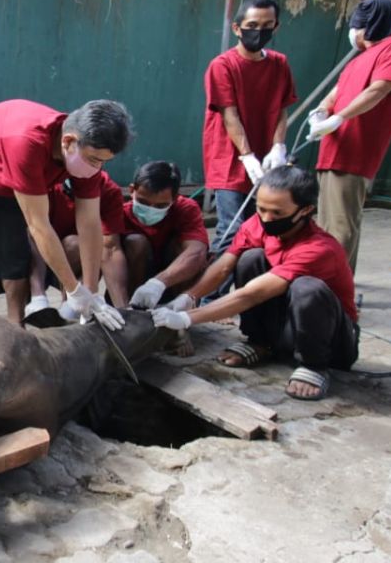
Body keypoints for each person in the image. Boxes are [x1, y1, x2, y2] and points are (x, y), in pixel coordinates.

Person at [0, 99, 133, 328]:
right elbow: (39, 226)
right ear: (69, 141)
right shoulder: (27, 143)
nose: (97, 167)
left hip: (6, 181)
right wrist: (74, 290)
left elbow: (90, 223)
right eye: (93, 159)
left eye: (103, 161)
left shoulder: (86, 157)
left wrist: (90, 292)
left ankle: (16, 326)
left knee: (13, 250)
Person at [150, 166, 358, 401]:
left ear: (306, 210)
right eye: (262, 209)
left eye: (277, 213)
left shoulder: (319, 248)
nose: (267, 218)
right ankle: (260, 343)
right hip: (288, 328)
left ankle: (314, 365)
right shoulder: (256, 225)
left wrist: (189, 317)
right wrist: (188, 297)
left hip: (331, 341)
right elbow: (224, 267)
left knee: (308, 288)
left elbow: (252, 294)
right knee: (250, 258)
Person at [309, 0, 391, 273]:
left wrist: (340, 118)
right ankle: (339, 283)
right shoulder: (358, 61)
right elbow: (336, 93)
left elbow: (379, 89)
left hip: (355, 151)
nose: (352, 32)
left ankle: (331, 291)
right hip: (332, 150)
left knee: (339, 228)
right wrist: (321, 112)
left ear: (367, 25)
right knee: (326, 226)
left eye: (355, 26)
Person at [201, 0, 298, 267]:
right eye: (253, 25)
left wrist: (278, 147)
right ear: (237, 28)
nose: (260, 31)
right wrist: (247, 156)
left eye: (267, 25)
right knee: (231, 229)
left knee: (268, 230)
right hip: (229, 159)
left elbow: (282, 108)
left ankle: (253, 296)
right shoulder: (223, 65)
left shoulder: (280, 64)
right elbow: (229, 114)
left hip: (268, 159)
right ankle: (210, 300)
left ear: (276, 27)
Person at [0, 172, 130, 310]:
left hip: (73, 263)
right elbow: (33, 232)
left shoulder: (107, 191)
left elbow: (110, 247)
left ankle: (68, 305)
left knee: (73, 243)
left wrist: (123, 308)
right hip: (35, 258)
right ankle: (34, 299)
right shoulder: (46, 184)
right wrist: (38, 293)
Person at [122, 161, 210, 310]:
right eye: (143, 202)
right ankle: (132, 308)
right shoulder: (119, 212)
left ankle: (182, 306)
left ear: (174, 199)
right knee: (135, 242)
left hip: (171, 283)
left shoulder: (186, 209)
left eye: (160, 206)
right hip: (133, 284)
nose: (150, 209)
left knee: (187, 250)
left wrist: (159, 282)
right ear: (132, 190)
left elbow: (197, 252)